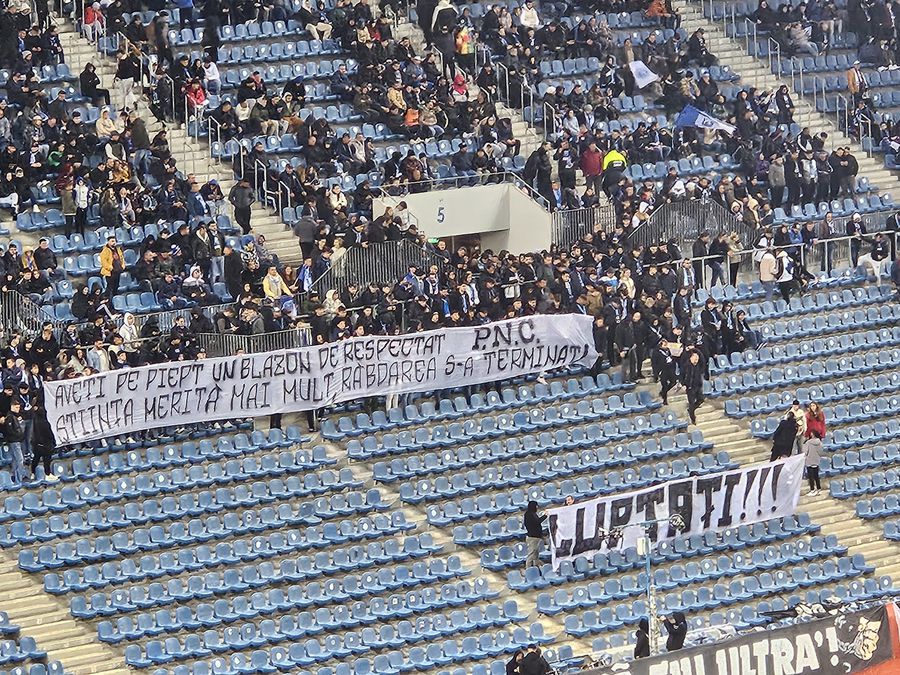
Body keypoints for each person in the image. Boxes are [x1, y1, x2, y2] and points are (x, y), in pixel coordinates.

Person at [3, 397, 27, 484]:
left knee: (14, 459)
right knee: (20, 459)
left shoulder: (15, 416)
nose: (18, 409)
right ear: (12, 406)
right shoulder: (10, 417)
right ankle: (21, 478)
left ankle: (14, 476)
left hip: (17, 440)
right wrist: (17, 436)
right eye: (16, 407)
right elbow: (10, 430)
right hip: (14, 441)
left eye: (18, 407)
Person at [31, 405, 56, 482]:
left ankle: (33, 472)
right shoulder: (45, 422)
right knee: (47, 460)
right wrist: (53, 442)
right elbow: (49, 434)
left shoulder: (34, 421)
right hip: (46, 444)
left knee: (36, 459)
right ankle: (47, 474)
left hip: (37, 444)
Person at [99, 235, 125, 299]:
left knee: (116, 286)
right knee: (110, 287)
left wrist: (123, 265)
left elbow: (121, 258)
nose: (114, 242)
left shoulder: (118, 249)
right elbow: (104, 262)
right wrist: (110, 268)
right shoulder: (105, 250)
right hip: (110, 272)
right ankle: (109, 300)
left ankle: (115, 299)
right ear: (108, 242)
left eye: (115, 241)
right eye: (112, 241)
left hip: (117, 271)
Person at [682, 350, 704, 425]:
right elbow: (682, 375)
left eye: (697, 359)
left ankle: (691, 410)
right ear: (691, 358)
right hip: (690, 387)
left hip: (697, 386)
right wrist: (683, 384)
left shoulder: (698, 366)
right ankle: (693, 418)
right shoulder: (686, 365)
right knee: (691, 402)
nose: (696, 360)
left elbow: (703, 360)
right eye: (695, 358)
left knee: (701, 400)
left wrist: (696, 350)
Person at [524, 500, 546, 568]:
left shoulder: (532, 514)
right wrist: (545, 516)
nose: (537, 507)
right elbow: (537, 522)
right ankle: (528, 570)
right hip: (532, 537)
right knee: (531, 554)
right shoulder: (529, 514)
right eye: (536, 506)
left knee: (535, 555)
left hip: (536, 537)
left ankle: (536, 568)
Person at [804, 430, 823, 496]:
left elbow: (805, 452)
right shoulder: (819, 442)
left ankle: (812, 490)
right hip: (816, 460)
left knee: (811, 477)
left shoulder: (808, 442)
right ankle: (819, 488)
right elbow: (821, 452)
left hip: (809, 460)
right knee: (816, 476)